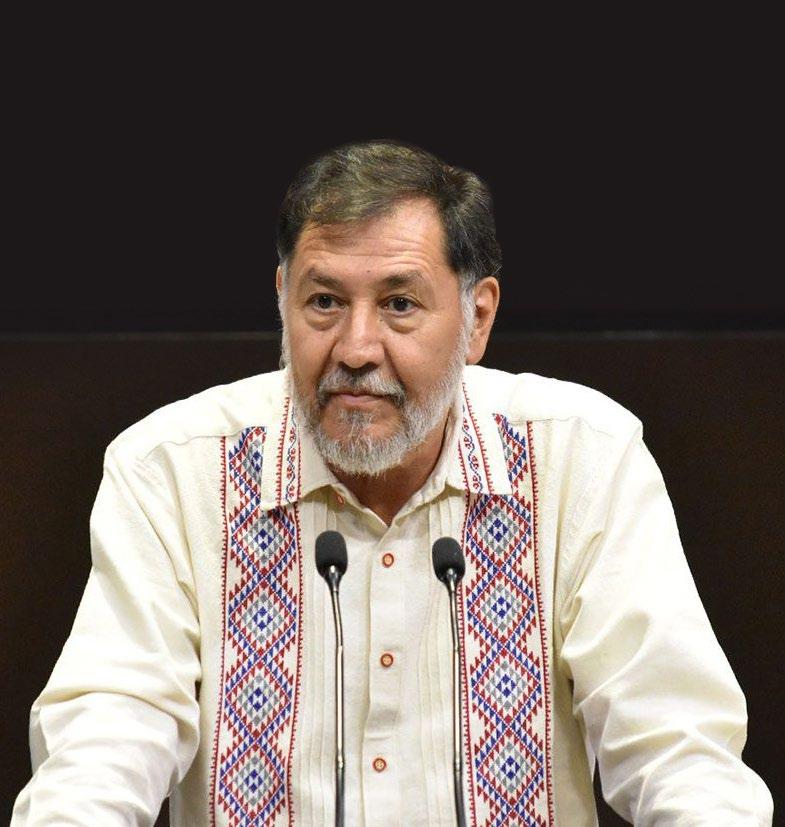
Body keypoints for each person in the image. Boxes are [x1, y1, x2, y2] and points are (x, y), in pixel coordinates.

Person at [12, 141, 773, 826]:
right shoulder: (173, 471)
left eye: (399, 305)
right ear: (281, 300)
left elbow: (677, 751)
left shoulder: (581, 458)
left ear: (477, 318)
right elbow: (108, 738)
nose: (355, 348)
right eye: (324, 302)